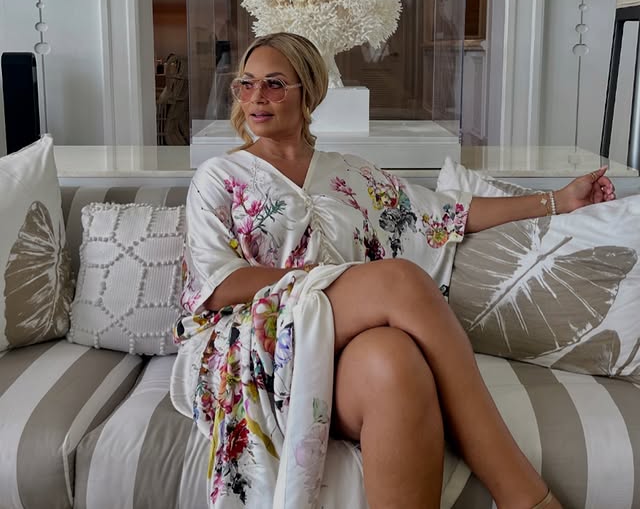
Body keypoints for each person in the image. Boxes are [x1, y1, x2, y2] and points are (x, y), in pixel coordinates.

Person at [170, 32, 616, 509]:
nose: (256, 97)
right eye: (247, 84)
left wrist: (556, 202)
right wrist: (329, 286)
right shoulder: (219, 176)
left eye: (275, 84)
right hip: (252, 343)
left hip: (338, 347)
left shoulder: (351, 174)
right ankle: (525, 496)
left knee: (395, 361)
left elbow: (446, 214)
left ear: (309, 93)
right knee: (400, 280)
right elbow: (218, 284)